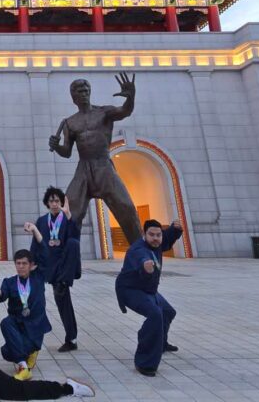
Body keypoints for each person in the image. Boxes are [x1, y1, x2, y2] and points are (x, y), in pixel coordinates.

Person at [48, 73, 144, 246]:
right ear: (73, 97)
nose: (83, 93)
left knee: (126, 208)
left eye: (86, 90)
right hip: (83, 169)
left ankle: (141, 253)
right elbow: (67, 152)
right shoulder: (69, 122)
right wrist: (56, 146)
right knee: (67, 212)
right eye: (79, 91)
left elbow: (125, 111)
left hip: (103, 166)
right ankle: (62, 256)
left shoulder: (104, 112)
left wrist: (130, 97)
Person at [114, 219, 183, 377]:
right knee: (155, 315)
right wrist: (145, 266)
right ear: (144, 235)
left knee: (167, 311)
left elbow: (167, 237)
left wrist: (175, 229)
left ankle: (160, 343)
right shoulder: (137, 249)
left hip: (149, 290)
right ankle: (145, 363)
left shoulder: (158, 242)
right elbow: (141, 258)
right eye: (151, 235)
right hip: (131, 290)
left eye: (158, 235)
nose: (156, 238)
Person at [0, 243, 51, 381]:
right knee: (6, 348)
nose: (20, 266)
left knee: (11, 351)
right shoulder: (9, 282)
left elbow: (44, 252)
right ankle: (24, 367)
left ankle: (32, 352)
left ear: (31, 265)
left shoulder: (38, 278)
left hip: (35, 327)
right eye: (18, 263)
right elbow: (1, 297)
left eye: (24, 263)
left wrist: (34, 230)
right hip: (18, 324)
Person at [29, 186, 82, 352]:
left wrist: (69, 217)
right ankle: (70, 338)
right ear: (47, 203)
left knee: (62, 300)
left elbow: (75, 239)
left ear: (61, 203)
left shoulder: (67, 219)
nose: (54, 203)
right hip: (48, 265)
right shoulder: (41, 221)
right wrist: (31, 262)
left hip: (64, 266)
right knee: (54, 301)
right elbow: (36, 243)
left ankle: (71, 339)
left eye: (57, 200)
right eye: (51, 200)